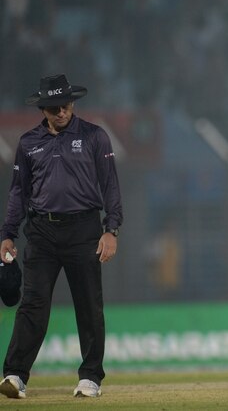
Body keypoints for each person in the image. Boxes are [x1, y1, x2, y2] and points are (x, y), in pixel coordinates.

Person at [0, 74, 123, 399]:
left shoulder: (96, 137)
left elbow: (110, 185)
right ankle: (14, 375)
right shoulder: (28, 144)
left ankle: (90, 378)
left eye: (65, 105)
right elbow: (18, 193)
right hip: (41, 232)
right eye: (54, 107)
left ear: (72, 103)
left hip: (84, 230)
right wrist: (8, 234)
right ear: (43, 108)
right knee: (33, 305)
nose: (61, 112)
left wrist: (111, 229)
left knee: (88, 305)